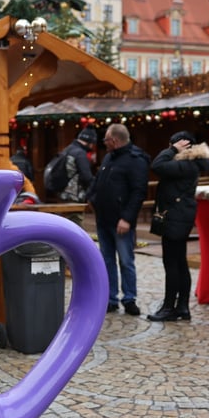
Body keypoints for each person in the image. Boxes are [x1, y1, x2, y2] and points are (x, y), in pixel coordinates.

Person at [86, 123, 150, 316]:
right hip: (103, 219)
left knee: (125, 261)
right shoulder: (109, 157)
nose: (104, 143)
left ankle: (129, 298)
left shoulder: (135, 160)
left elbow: (139, 192)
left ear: (114, 140)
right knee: (107, 261)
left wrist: (127, 219)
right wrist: (91, 198)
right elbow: (98, 181)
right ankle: (111, 298)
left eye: (105, 139)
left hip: (121, 222)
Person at [147, 131, 209, 322]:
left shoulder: (184, 164)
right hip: (179, 217)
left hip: (176, 218)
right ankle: (182, 307)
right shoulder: (190, 164)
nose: (169, 149)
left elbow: (156, 165)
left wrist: (172, 149)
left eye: (172, 145)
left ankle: (169, 307)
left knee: (172, 264)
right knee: (180, 263)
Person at [55, 127, 98, 228]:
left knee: (66, 224)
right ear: (89, 141)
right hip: (74, 196)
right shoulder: (80, 154)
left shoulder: (68, 149)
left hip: (63, 194)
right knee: (76, 225)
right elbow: (86, 177)